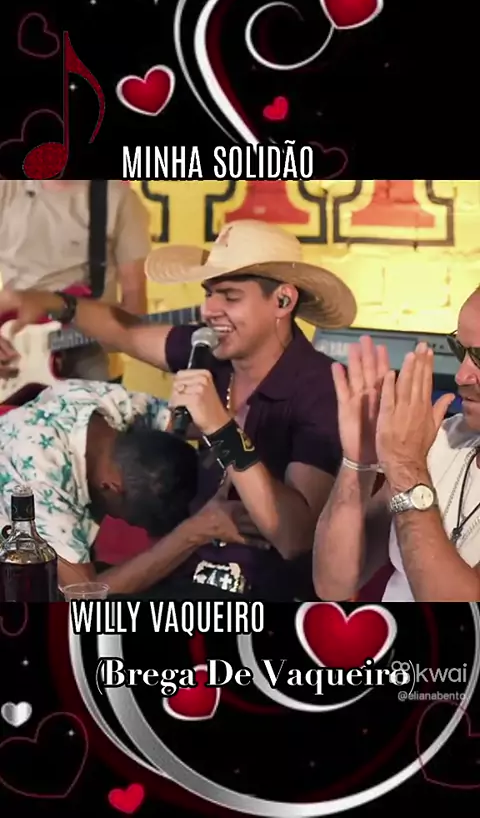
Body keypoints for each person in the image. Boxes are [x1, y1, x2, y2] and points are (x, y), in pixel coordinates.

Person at [0, 219, 357, 600]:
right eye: (209, 293)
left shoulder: (320, 389)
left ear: (282, 301)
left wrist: (222, 430)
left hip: (258, 599)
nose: (209, 309)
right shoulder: (209, 351)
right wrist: (54, 303)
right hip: (184, 579)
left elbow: (295, 537)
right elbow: (124, 332)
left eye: (230, 297)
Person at [0, 379, 251, 597]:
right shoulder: (41, 489)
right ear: (112, 487)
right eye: (133, 520)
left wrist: (238, 444)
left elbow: (185, 422)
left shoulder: (106, 403)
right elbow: (84, 595)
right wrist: (194, 532)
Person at [313, 286, 480, 602]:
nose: (461, 376)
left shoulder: (413, 458)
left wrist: (405, 467)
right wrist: (359, 461)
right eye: (461, 351)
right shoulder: (445, 438)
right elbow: (334, 584)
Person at [0, 180, 150, 384]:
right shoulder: (6, 189)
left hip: (90, 360)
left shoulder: (119, 199)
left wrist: (110, 332)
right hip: (13, 359)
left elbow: (134, 310)